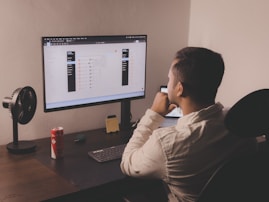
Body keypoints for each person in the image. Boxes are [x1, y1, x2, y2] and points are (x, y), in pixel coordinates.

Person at [120, 47, 257, 202]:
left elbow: (127, 163)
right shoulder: (243, 122)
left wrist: (154, 113)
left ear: (180, 89)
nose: (168, 83)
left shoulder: (166, 144)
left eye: (169, 79)